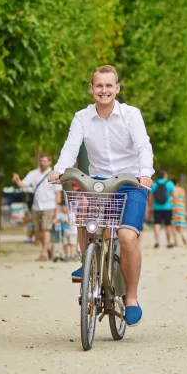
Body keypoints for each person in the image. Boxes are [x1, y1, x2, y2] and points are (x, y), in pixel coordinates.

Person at [49, 64, 153, 327]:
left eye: (109, 86)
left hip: (131, 182)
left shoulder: (131, 115)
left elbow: (143, 146)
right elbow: (71, 147)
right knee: (83, 214)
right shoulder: (81, 117)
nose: (104, 90)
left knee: (128, 237)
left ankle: (131, 298)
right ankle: (88, 262)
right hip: (99, 182)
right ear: (91, 89)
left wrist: (145, 173)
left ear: (117, 89)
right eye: (99, 86)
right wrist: (59, 169)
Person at [13, 154, 60, 261]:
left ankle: (43, 253)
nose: (42, 163)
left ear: (50, 162)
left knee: (45, 229)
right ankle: (48, 247)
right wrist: (17, 180)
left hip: (49, 205)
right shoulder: (33, 173)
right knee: (37, 232)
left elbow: (58, 193)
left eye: (44, 161)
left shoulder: (54, 175)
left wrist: (57, 210)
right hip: (36, 206)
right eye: (41, 161)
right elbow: (22, 184)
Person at [149, 169, 175, 249]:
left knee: (157, 224)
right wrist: (174, 206)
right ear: (165, 176)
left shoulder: (154, 184)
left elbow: (150, 197)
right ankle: (168, 242)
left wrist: (150, 207)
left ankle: (157, 241)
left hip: (157, 207)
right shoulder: (169, 183)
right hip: (167, 207)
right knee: (168, 225)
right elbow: (174, 196)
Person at [171, 181, 187, 247]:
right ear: (178, 183)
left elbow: (172, 198)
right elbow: (184, 199)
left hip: (174, 206)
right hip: (181, 207)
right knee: (180, 224)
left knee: (173, 225)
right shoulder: (182, 189)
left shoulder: (172, 190)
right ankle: (181, 235)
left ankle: (176, 242)